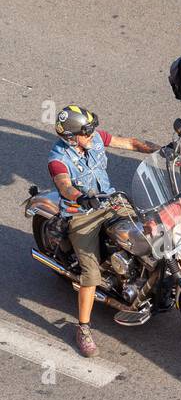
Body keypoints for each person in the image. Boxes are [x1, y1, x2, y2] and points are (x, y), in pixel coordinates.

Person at [45, 105, 159, 357]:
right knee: (90, 272)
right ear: (72, 137)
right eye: (87, 132)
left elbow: (128, 143)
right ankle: (83, 328)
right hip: (81, 214)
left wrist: (160, 151)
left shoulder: (94, 138)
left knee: (152, 228)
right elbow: (64, 186)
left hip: (111, 202)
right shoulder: (58, 159)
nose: (93, 134)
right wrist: (81, 197)